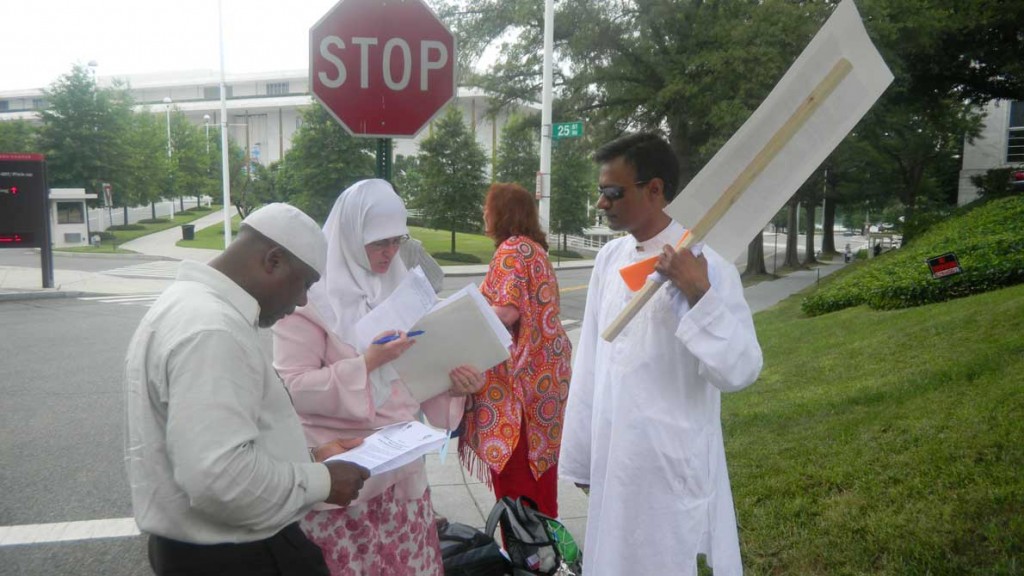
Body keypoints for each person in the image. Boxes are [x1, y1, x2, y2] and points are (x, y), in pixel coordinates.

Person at [124, 203, 371, 576]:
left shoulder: (188, 306)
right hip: (237, 555)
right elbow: (220, 478)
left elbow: (213, 447)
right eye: (305, 283)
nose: (303, 300)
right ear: (273, 260)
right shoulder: (213, 329)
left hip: (209, 551)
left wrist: (307, 457)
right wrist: (323, 480)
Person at [560, 133, 763, 576]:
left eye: (613, 193)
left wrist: (698, 291)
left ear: (654, 189)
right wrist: (582, 455)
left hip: (670, 462)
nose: (602, 204)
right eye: (601, 192)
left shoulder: (707, 263)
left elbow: (741, 368)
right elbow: (591, 362)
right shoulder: (609, 259)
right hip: (615, 457)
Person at [272, 179, 484, 575]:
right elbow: (292, 388)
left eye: (396, 241)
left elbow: (417, 375)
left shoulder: (406, 289)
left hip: (400, 474)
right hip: (342, 477)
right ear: (352, 237)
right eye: (378, 243)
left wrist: (453, 386)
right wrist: (366, 363)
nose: (389, 253)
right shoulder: (310, 300)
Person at [459, 183, 572, 519]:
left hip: (516, 391)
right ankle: (548, 553)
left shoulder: (510, 249)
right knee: (541, 477)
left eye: (487, 207)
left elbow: (507, 312)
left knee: (516, 487)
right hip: (546, 384)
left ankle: (528, 561)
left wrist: (461, 315)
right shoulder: (536, 251)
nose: (484, 213)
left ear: (502, 212)